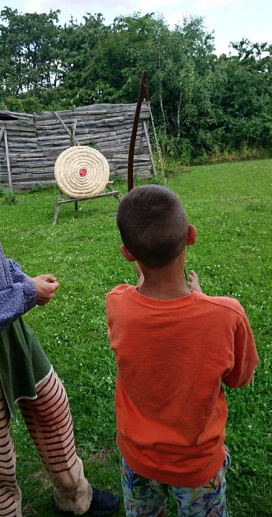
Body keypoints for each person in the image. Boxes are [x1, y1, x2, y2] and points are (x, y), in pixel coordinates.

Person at [0, 62, 119, 517]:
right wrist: (25, 295)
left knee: (53, 410)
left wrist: (19, 279)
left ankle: (76, 499)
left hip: (10, 329)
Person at [106, 185, 259, 517]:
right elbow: (239, 378)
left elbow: (138, 298)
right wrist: (202, 300)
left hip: (137, 459)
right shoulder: (227, 314)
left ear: (127, 253)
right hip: (197, 467)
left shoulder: (117, 303)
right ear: (190, 235)